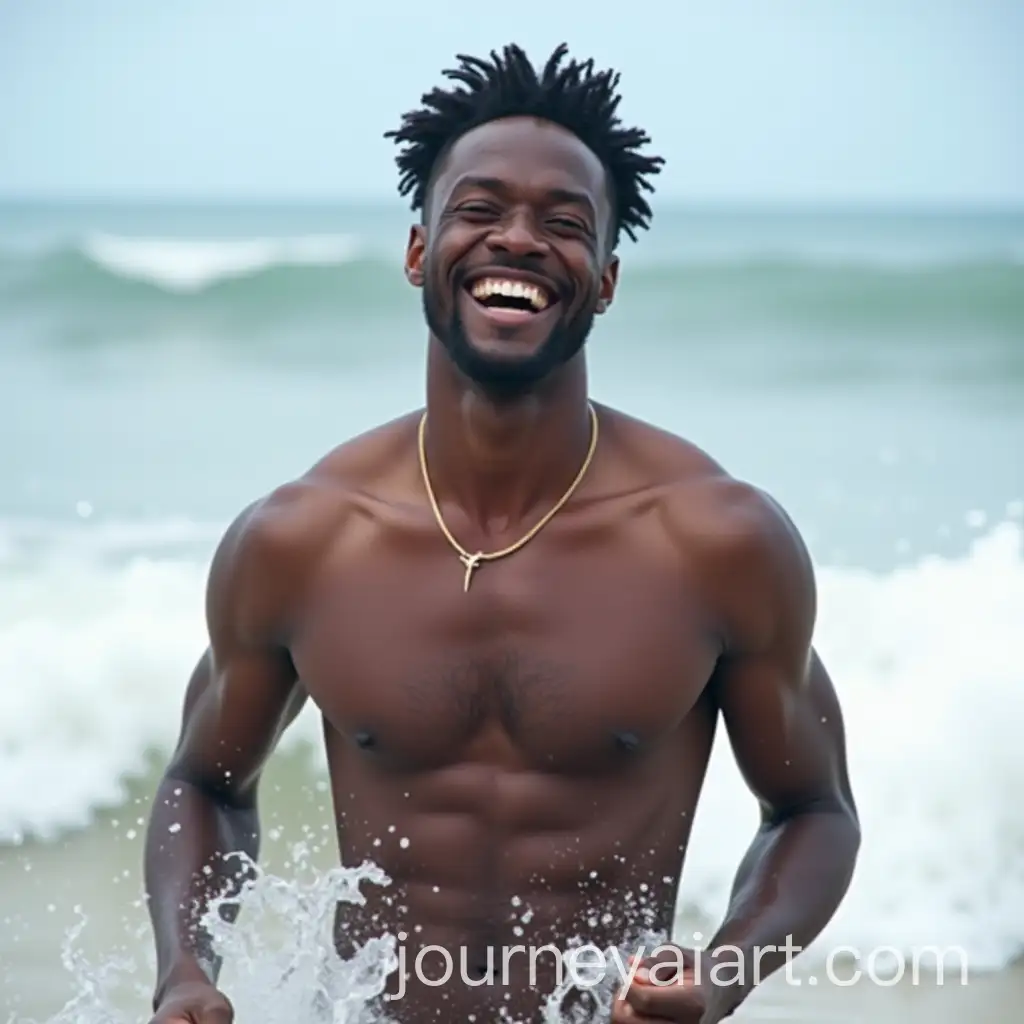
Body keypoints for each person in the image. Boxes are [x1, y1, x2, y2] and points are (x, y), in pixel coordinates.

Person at [144, 43, 860, 1024]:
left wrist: (721, 974)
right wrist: (185, 966)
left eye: (564, 225)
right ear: (416, 251)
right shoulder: (302, 539)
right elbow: (204, 782)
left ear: (605, 279)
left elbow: (813, 811)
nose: (517, 240)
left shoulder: (716, 542)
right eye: (478, 210)